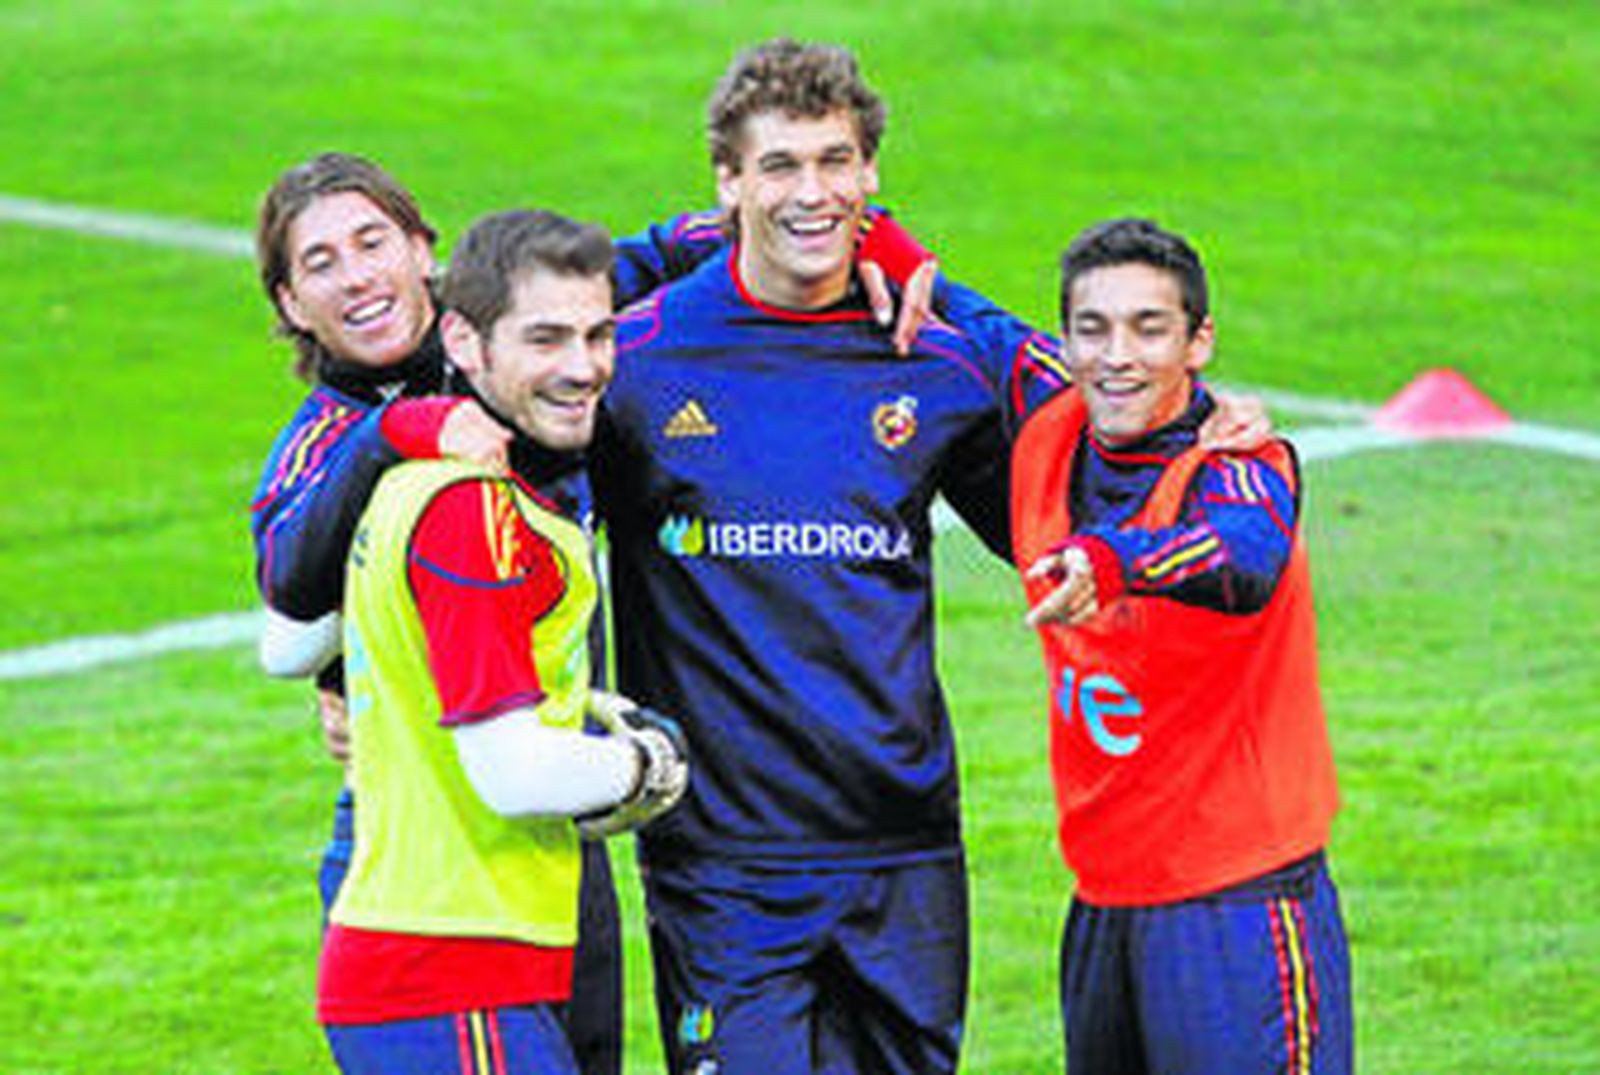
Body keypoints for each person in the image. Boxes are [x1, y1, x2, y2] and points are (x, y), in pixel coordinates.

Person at [592, 39, 1074, 1075]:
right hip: (725, 865)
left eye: (834, 162)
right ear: (727, 182)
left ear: (871, 177)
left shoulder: (933, 356)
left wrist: (1226, 433)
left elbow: (1081, 428)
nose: (811, 193)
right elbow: (492, 482)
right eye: (779, 167)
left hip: (903, 853)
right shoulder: (631, 362)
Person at [250, 152, 723, 1075]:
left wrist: (886, 246)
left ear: (426, 251)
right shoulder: (328, 451)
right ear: (290, 305)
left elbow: (689, 239)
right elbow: (289, 611)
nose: (356, 275)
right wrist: (392, 435)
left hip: (548, 823)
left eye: (373, 240)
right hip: (439, 844)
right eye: (319, 262)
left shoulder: (529, 322)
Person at [1012, 218, 1352, 1073]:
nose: (1117, 354)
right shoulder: (1048, 428)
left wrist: (1113, 557)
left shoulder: (1238, 462)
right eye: (1092, 328)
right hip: (1104, 897)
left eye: (1149, 327)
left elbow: (1246, 555)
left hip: (1236, 902)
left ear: (1199, 342)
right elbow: (960, 310)